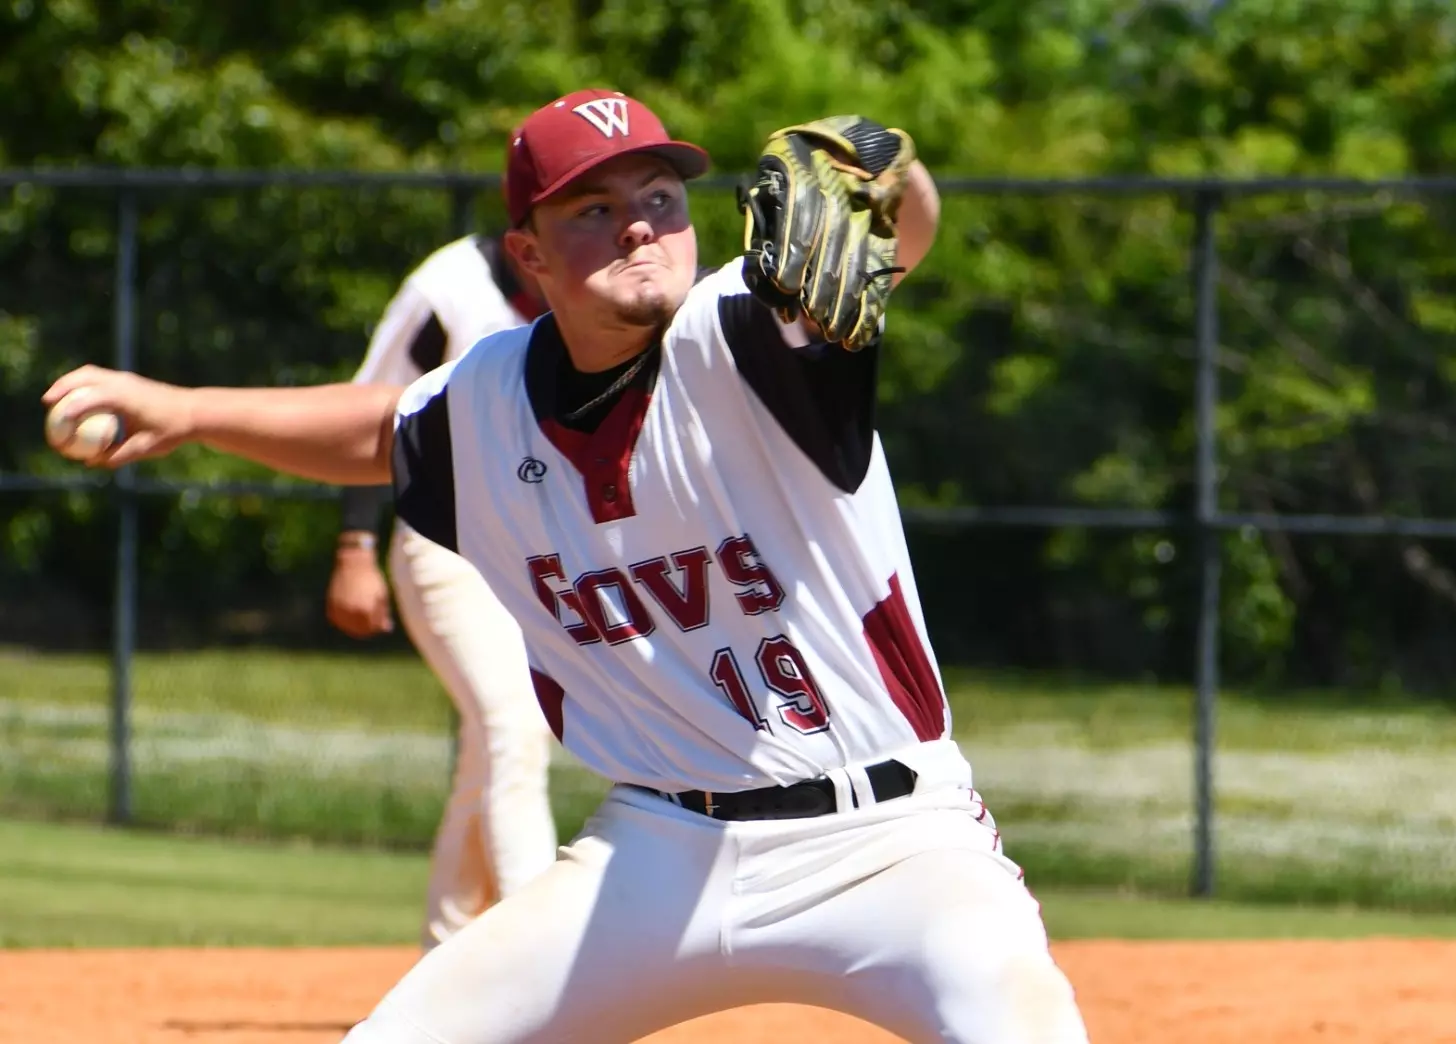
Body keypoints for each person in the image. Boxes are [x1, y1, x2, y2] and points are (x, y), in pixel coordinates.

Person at [43, 88, 1094, 1043]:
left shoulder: (750, 331)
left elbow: (898, 235)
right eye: (590, 209)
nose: (640, 221)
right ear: (529, 256)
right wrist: (187, 412)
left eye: (659, 195)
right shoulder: (487, 398)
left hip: (891, 844)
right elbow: (376, 427)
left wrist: (882, 168)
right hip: (657, 847)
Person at [324, 228, 559, 952]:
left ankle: (447, 948)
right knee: (514, 728)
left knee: (492, 748)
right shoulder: (449, 286)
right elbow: (371, 410)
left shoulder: (607, 275)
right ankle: (541, 949)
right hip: (445, 538)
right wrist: (354, 546)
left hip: (540, 547)